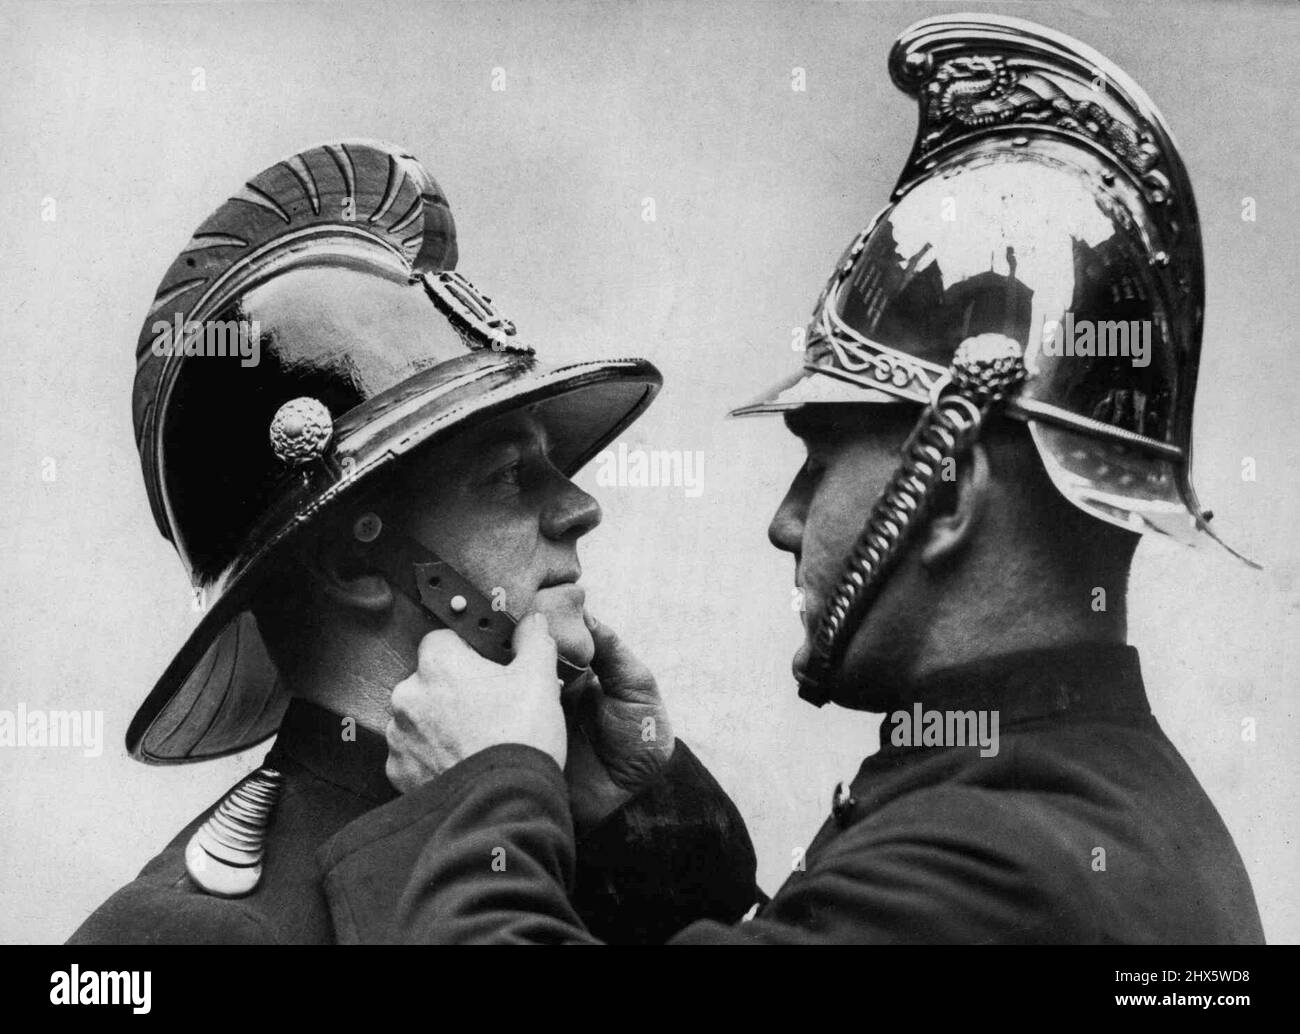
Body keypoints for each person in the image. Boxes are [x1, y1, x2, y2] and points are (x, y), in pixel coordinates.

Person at [357, 15, 1266, 943]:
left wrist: (478, 795)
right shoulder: (1055, 792)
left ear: (948, 495)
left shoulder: (996, 864)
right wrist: (623, 813)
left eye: (820, 460)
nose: (786, 523)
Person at [69, 140, 757, 945]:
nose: (579, 506)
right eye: (507, 476)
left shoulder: (546, 836)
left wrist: (637, 814)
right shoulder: (188, 933)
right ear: (350, 558)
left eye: (551, 467)